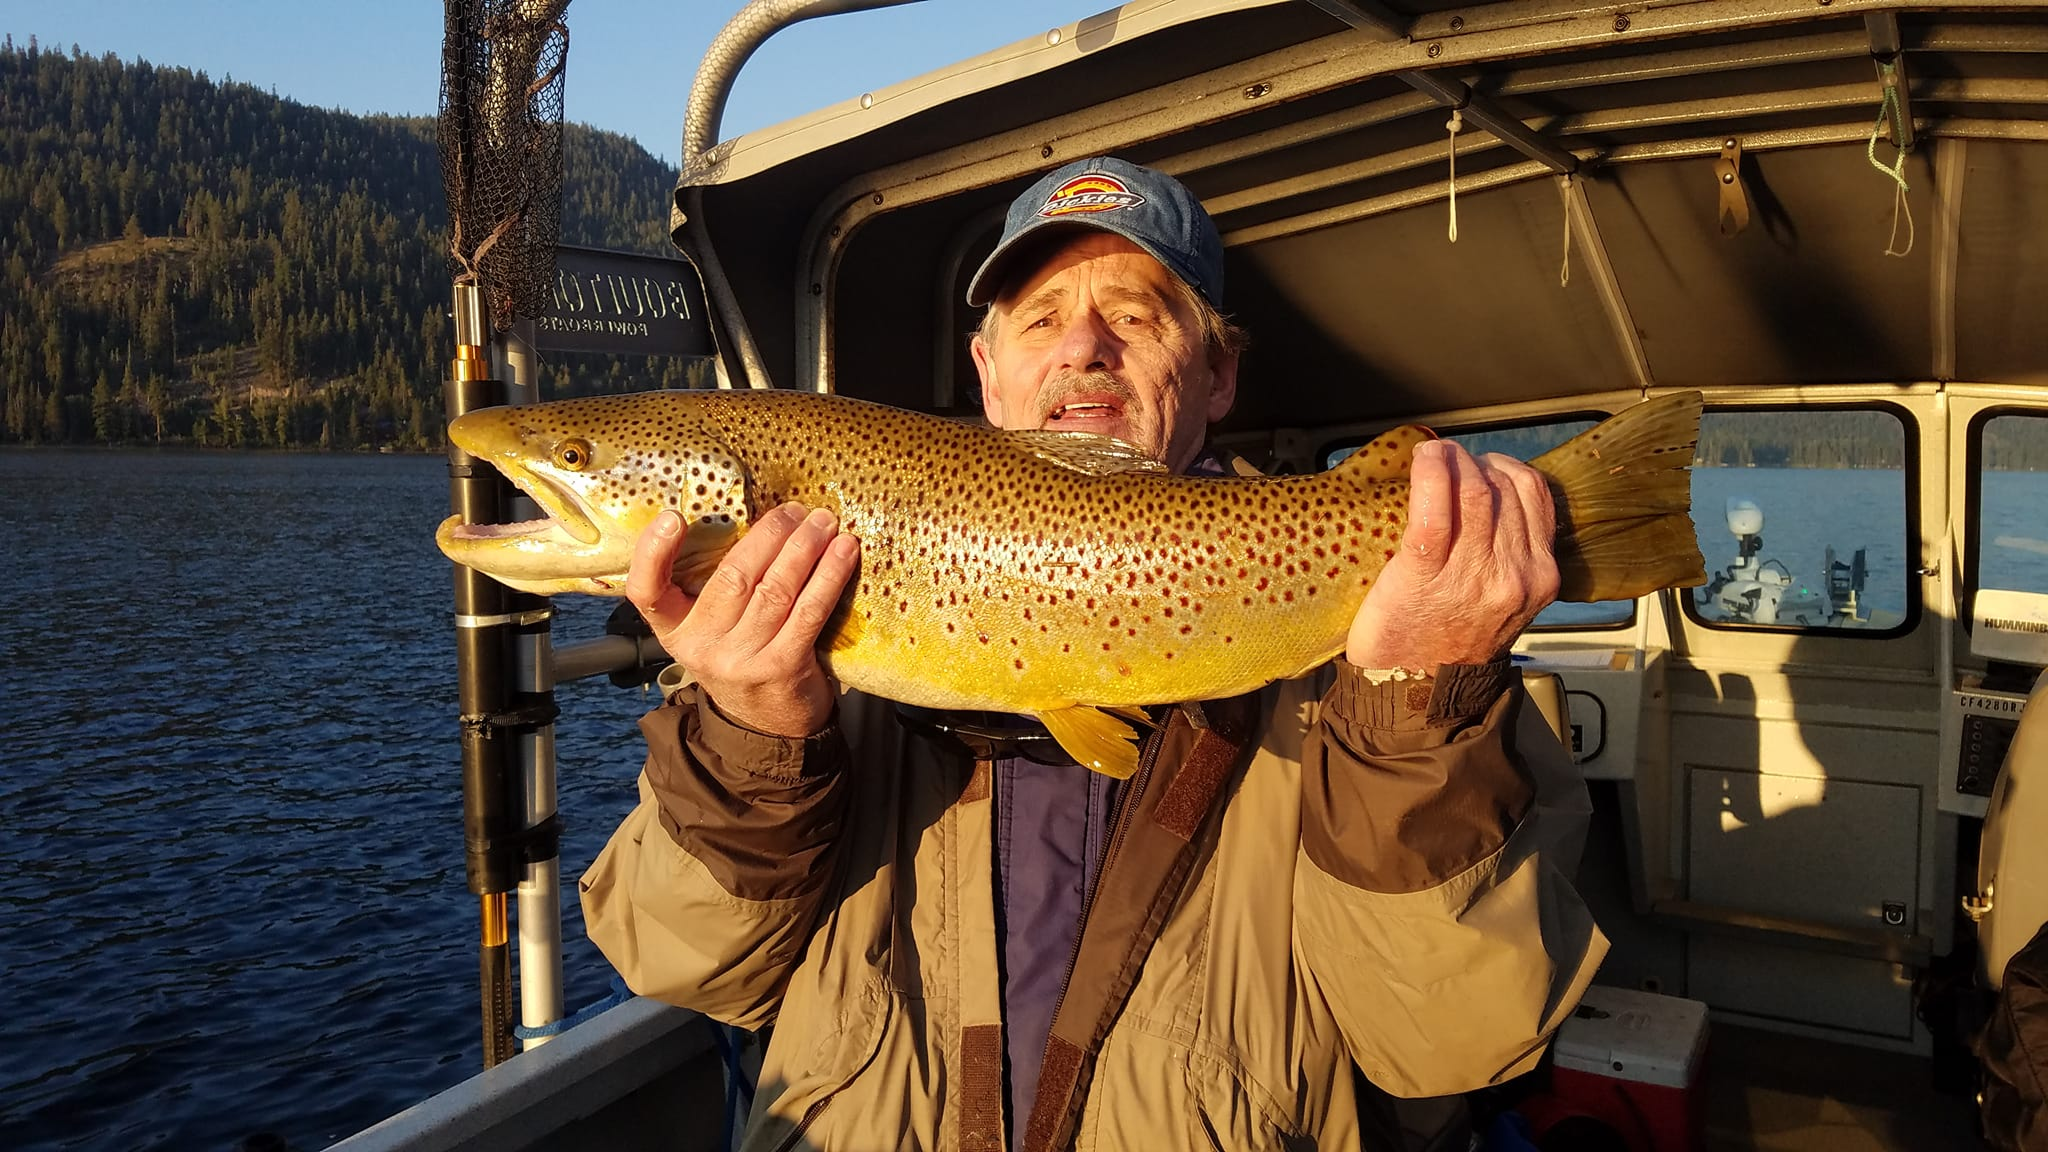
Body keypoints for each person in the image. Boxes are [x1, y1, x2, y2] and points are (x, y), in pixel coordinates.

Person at [580, 157, 1606, 1152]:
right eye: (1037, 317)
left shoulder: (1402, 671)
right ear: (986, 374)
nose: (1080, 346)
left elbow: (1449, 1042)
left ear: (1215, 375)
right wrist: (753, 739)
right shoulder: (779, 657)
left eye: (1133, 313)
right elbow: (689, 968)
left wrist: (1411, 709)